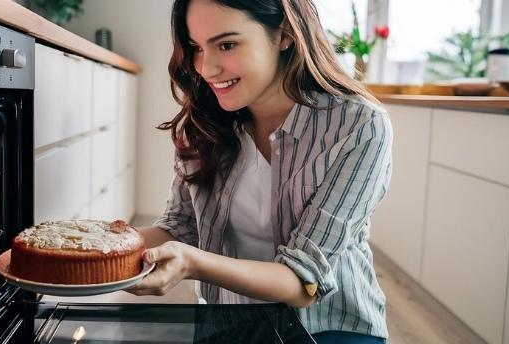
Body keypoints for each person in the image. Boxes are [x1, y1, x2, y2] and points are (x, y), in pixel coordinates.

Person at [128, 0, 392, 343]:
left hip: (328, 325)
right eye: (196, 47)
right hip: (231, 321)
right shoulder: (204, 123)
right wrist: (96, 244)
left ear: (283, 34)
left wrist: (192, 263)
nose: (206, 68)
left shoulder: (358, 126)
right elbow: (180, 227)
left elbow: (303, 282)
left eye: (227, 45)